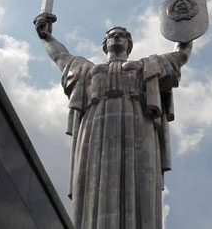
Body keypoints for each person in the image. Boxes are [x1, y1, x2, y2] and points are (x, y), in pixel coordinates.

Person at [34, 13, 192, 229]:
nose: (116, 37)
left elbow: (180, 56)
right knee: (93, 180)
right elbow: (61, 57)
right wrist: (46, 38)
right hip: (95, 126)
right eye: (112, 35)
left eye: (122, 36)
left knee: (140, 180)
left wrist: (186, 29)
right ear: (105, 44)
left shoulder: (146, 66)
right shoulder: (87, 69)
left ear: (129, 45)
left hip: (137, 123)